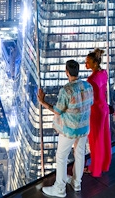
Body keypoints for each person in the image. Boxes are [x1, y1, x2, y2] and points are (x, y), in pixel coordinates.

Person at [38, 59, 94, 197]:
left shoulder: (66, 90)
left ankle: (60, 189)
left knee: (61, 157)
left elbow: (58, 110)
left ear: (66, 72)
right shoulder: (88, 86)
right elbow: (90, 103)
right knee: (80, 154)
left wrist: (42, 102)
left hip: (69, 129)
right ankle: (77, 183)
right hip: (84, 128)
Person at [85, 48, 112, 177]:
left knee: (95, 140)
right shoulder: (104, 73)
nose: (86, 64)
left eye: (88, 62)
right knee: (104, 137)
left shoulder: (91, 80)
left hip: (96, 110)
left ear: (94, 63)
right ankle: (104, 164)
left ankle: (95, 168)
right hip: (104, 108)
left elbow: (90, 99)